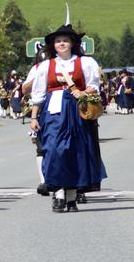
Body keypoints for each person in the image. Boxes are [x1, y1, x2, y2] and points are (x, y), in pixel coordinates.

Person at [29, 24, 106, 212]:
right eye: (58, 41)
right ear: (53, 45)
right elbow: (38, 93)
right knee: (55, 150)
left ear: (72, 43)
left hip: (77, 110)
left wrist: (82, 92)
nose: (61, 44)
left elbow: (94, 85)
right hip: (54, 111)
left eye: (65, 40)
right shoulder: (46, 66)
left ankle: (71, 197)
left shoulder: (85, 63)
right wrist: (33, 117)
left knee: (75, 151)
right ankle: (59, 192)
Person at [22, 51, 49, 196]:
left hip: (59, 107)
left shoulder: (58, 66)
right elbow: (24, 89)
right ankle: (44, 180)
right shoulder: (36, 69)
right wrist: (38, 77)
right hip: (40, 109)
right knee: (40, 146)